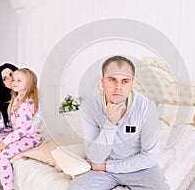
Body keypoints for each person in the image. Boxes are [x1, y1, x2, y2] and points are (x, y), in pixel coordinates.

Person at [69, 56, 170, 190]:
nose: (118, 87)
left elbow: (149, 157)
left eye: (125, 81)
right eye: (112, 80)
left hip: (138, 168)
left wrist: (107, 167)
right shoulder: (89, 107)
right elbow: (95, 157)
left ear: (132, 83)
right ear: (103, 82)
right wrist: (111, 123)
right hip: (102, 169)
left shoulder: (147, 107)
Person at [0, 68, 42, 190]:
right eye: (14, 79)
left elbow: (22, 130)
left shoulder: (26, 103)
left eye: (19, 80)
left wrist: (4, 142)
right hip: (17, 135)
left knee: (2, 156)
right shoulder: (17, 97)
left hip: (29, 138)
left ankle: (8, 188)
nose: (14, 82)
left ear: (29, 83)